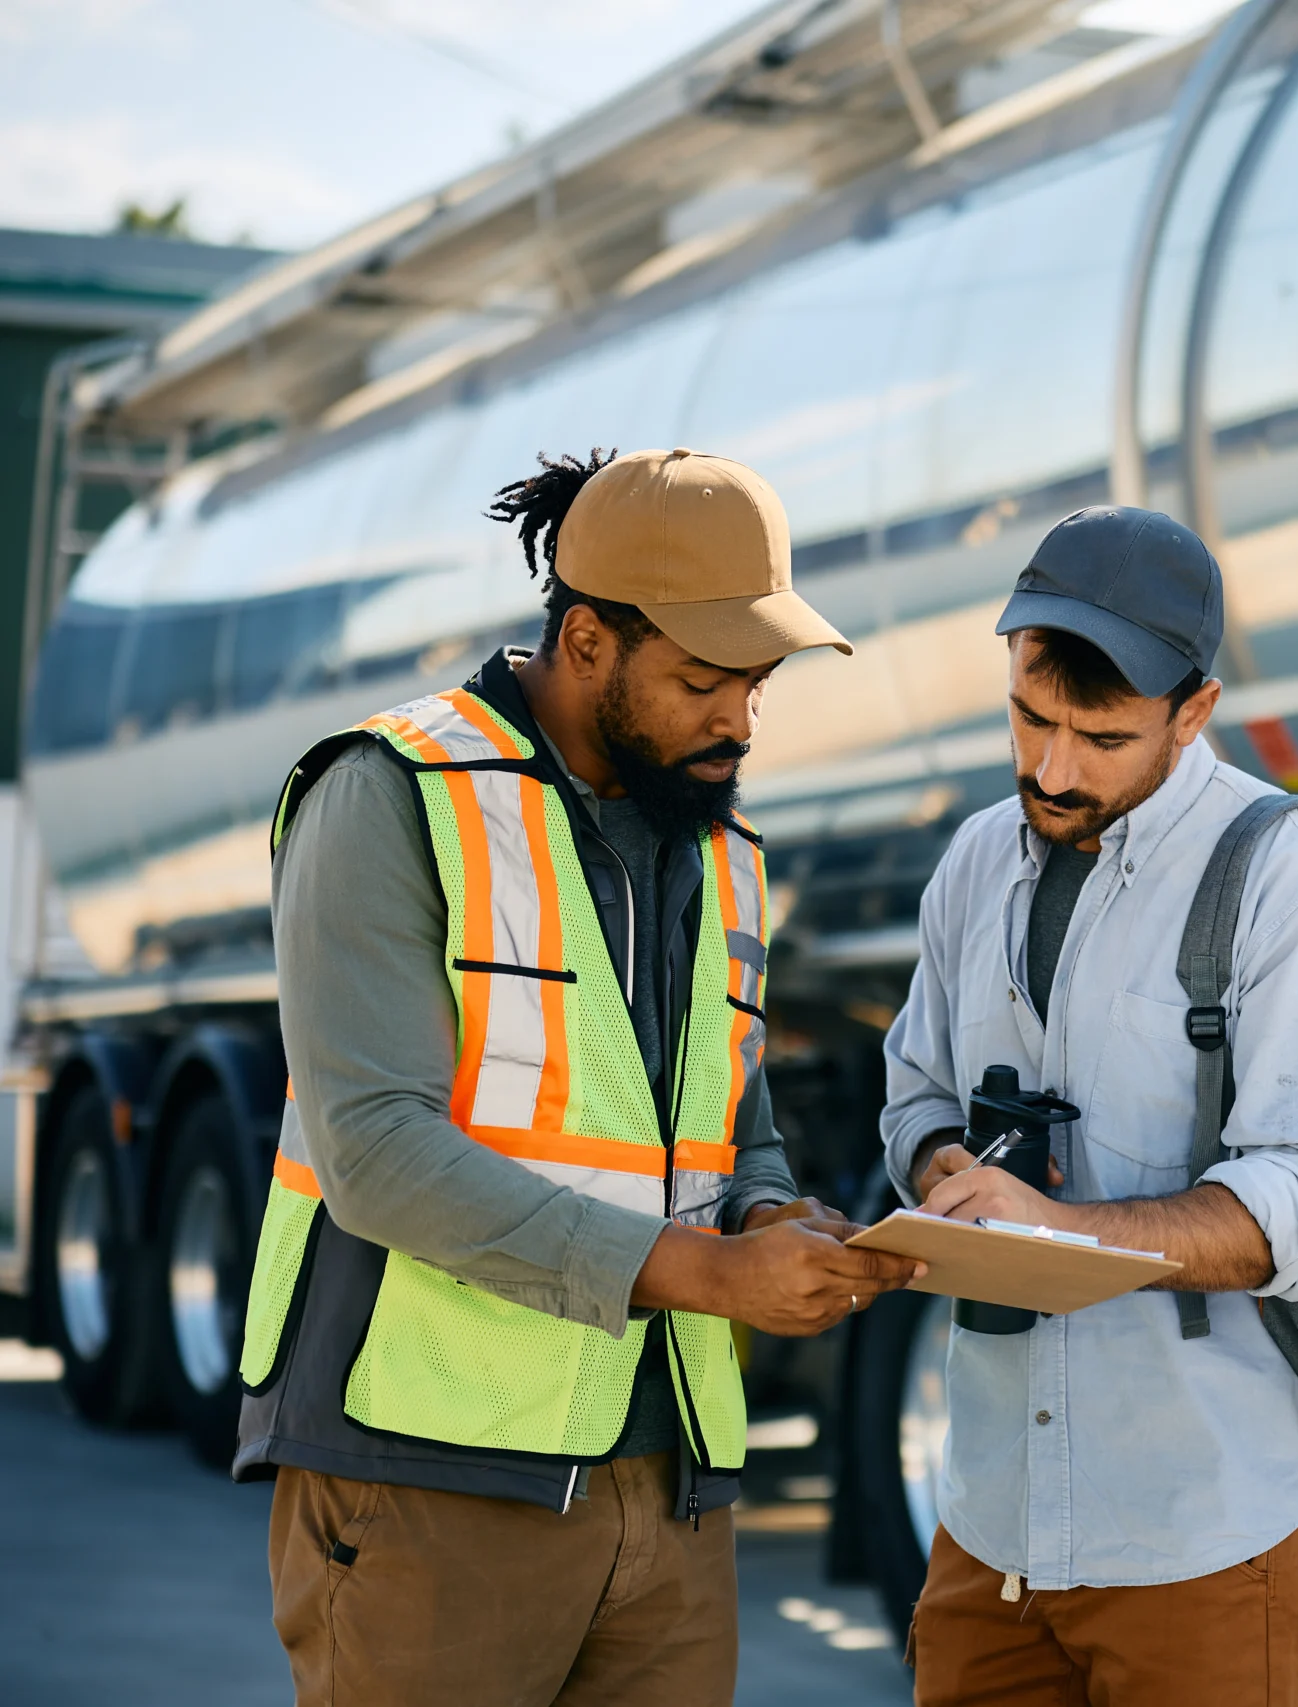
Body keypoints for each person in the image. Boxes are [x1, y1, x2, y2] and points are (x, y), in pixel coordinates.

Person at [234, 446, 920, 1706]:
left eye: (758, 686)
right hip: (429, 1479)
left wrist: (771, 1217)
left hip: (670, 1492)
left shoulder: (721, 845)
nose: (739, 722)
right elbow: (375, 1150)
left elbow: (732, 1134)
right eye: (705, 680)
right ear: (589, 639)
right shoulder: (391, 793)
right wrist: (708, 1274)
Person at [882, 505, 1298, 1704]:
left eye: (1103, 736)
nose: (1052, 769)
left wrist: (1056, 1236)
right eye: (1029, 718)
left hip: (1216, 1533)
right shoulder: (975, 859)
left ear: (1195, 712)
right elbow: (912, 1090)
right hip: (994, 1528)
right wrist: (946, 1180)